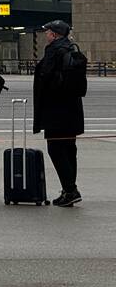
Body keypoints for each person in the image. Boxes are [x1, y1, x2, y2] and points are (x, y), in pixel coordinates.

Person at [34, 20, 87, 207]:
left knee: (55, 149)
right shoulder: (71, 49)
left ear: (54, 34)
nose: (46, 34)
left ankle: (70, 190)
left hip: (56, 110)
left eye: (47, 31)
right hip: (72, 110)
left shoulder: (54, 51)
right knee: (69, 149)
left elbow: (46, 77)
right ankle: (69, 189)